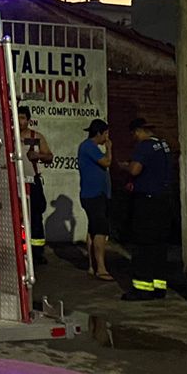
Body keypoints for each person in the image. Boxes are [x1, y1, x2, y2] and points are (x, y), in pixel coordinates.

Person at [121, 116, 173, 301]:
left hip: (147, 202)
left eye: (134, 134)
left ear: (138, 131)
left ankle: (142, 288)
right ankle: (159, 286)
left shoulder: (144, 146)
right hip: (164, 200)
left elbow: (135, 169)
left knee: (143, 245)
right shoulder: (163, 145)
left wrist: (125, 167)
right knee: (158, 245)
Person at [78, 119, 113, 280]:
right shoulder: (89, 147)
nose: (106, 137)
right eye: (105, 133)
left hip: (97, 194)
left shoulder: (90, 148)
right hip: (93, 195)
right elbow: (106, 162)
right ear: (98, 133)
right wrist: (109, 150)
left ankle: (93, 266)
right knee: (100, 230)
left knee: (93, 229)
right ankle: (101, 268)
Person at [18, 106, 52, 264]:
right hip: (15, 182)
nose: (20, 121)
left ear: (29, 119)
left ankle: (37, 252)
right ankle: (17, 249)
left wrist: (37, 155)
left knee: (36, 216)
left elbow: (49, 156)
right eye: (17, 117)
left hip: (32, 181)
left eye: (23, 117)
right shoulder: (8, 136)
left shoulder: (36, 137)